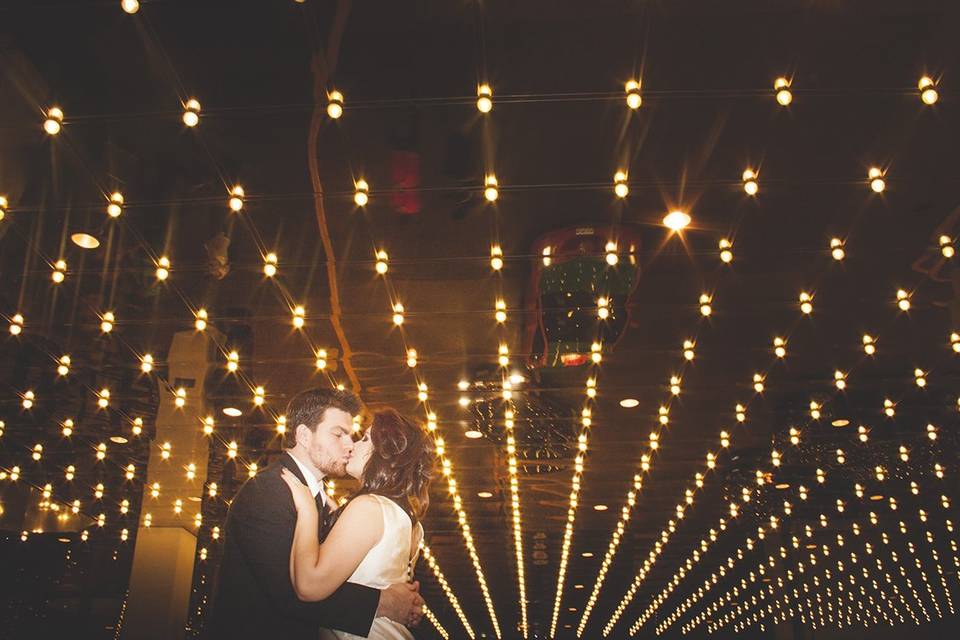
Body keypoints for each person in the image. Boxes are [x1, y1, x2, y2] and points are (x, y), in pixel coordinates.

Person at [207, 389, 424, 640]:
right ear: (304, 436)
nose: (349, 444)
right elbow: (287, 593)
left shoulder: (325, 501)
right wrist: (382, 601)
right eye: (338, 434)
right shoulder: (268, 490)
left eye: (352, 436)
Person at [280, 408, 434, 640]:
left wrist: (307, 511)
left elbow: (309, 586)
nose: (352, 444)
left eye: (364, 439)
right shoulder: (410, 522)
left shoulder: (369, 507)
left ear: (384, 454)